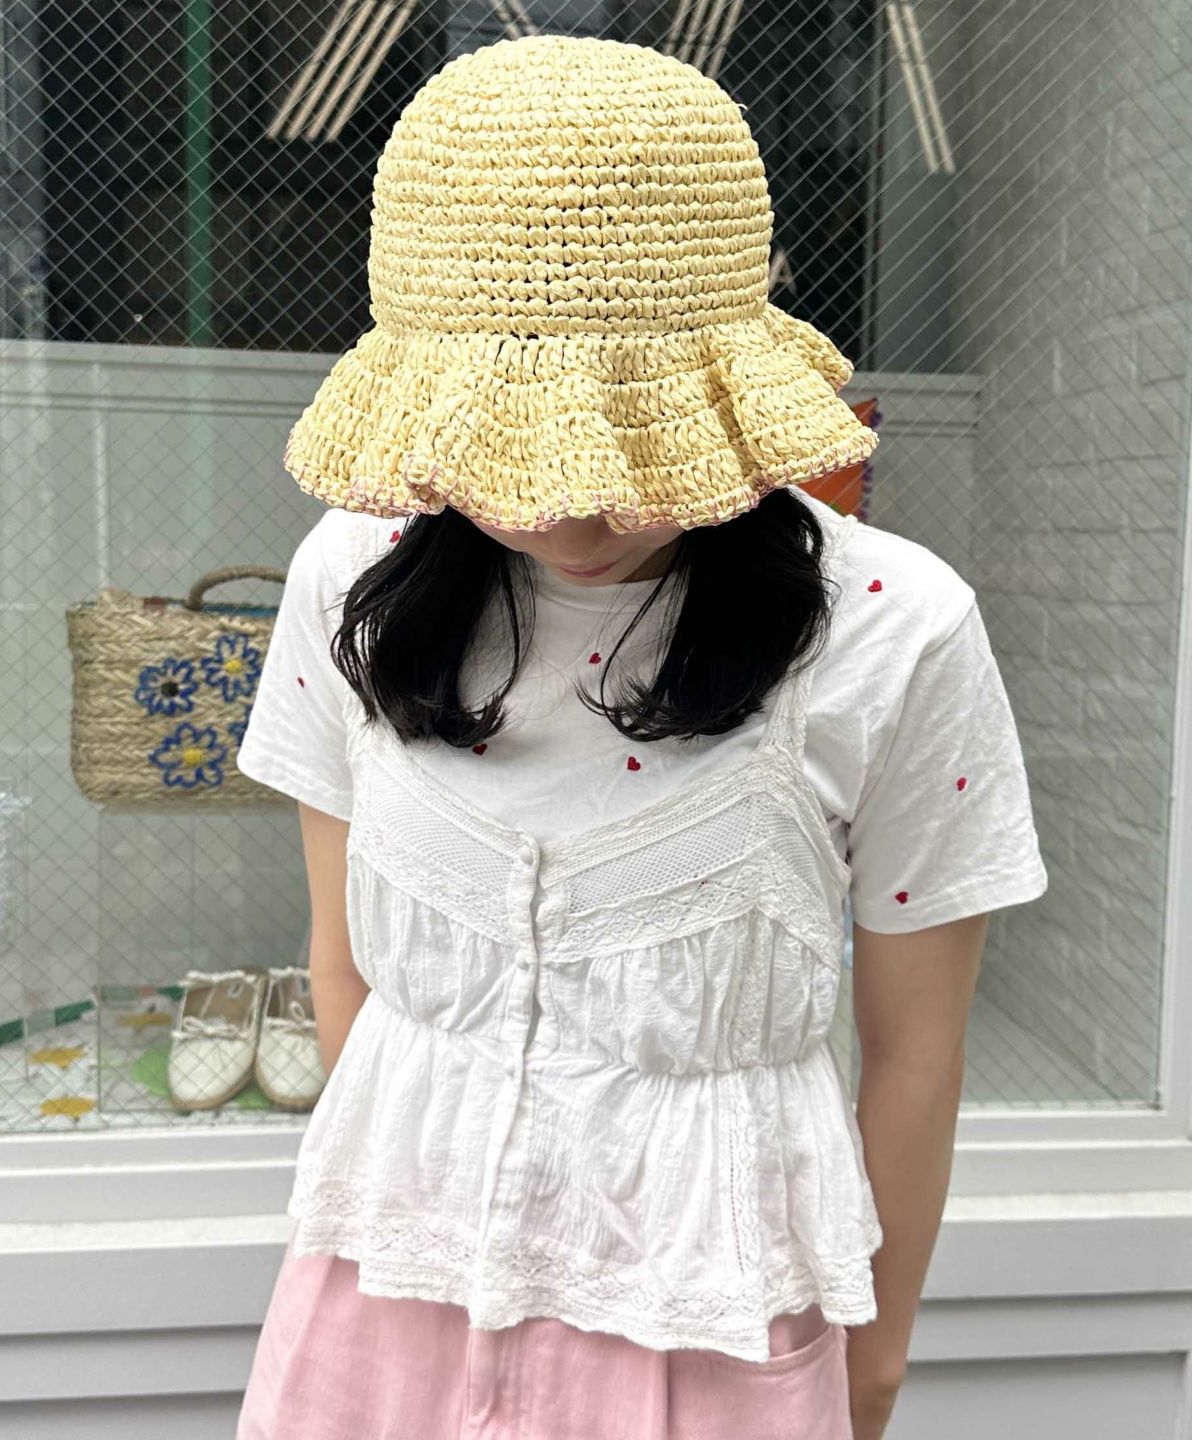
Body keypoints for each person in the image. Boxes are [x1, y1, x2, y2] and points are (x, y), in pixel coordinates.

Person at [233, 32, 1048, 1440]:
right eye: (512, 444)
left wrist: (874, 1367)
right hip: (379, 1308)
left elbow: (915, 1053)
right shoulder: (352, 579)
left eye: (628, 437)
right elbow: (347, 965)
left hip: (712, 1323)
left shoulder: (893, 628)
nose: (570, 511)